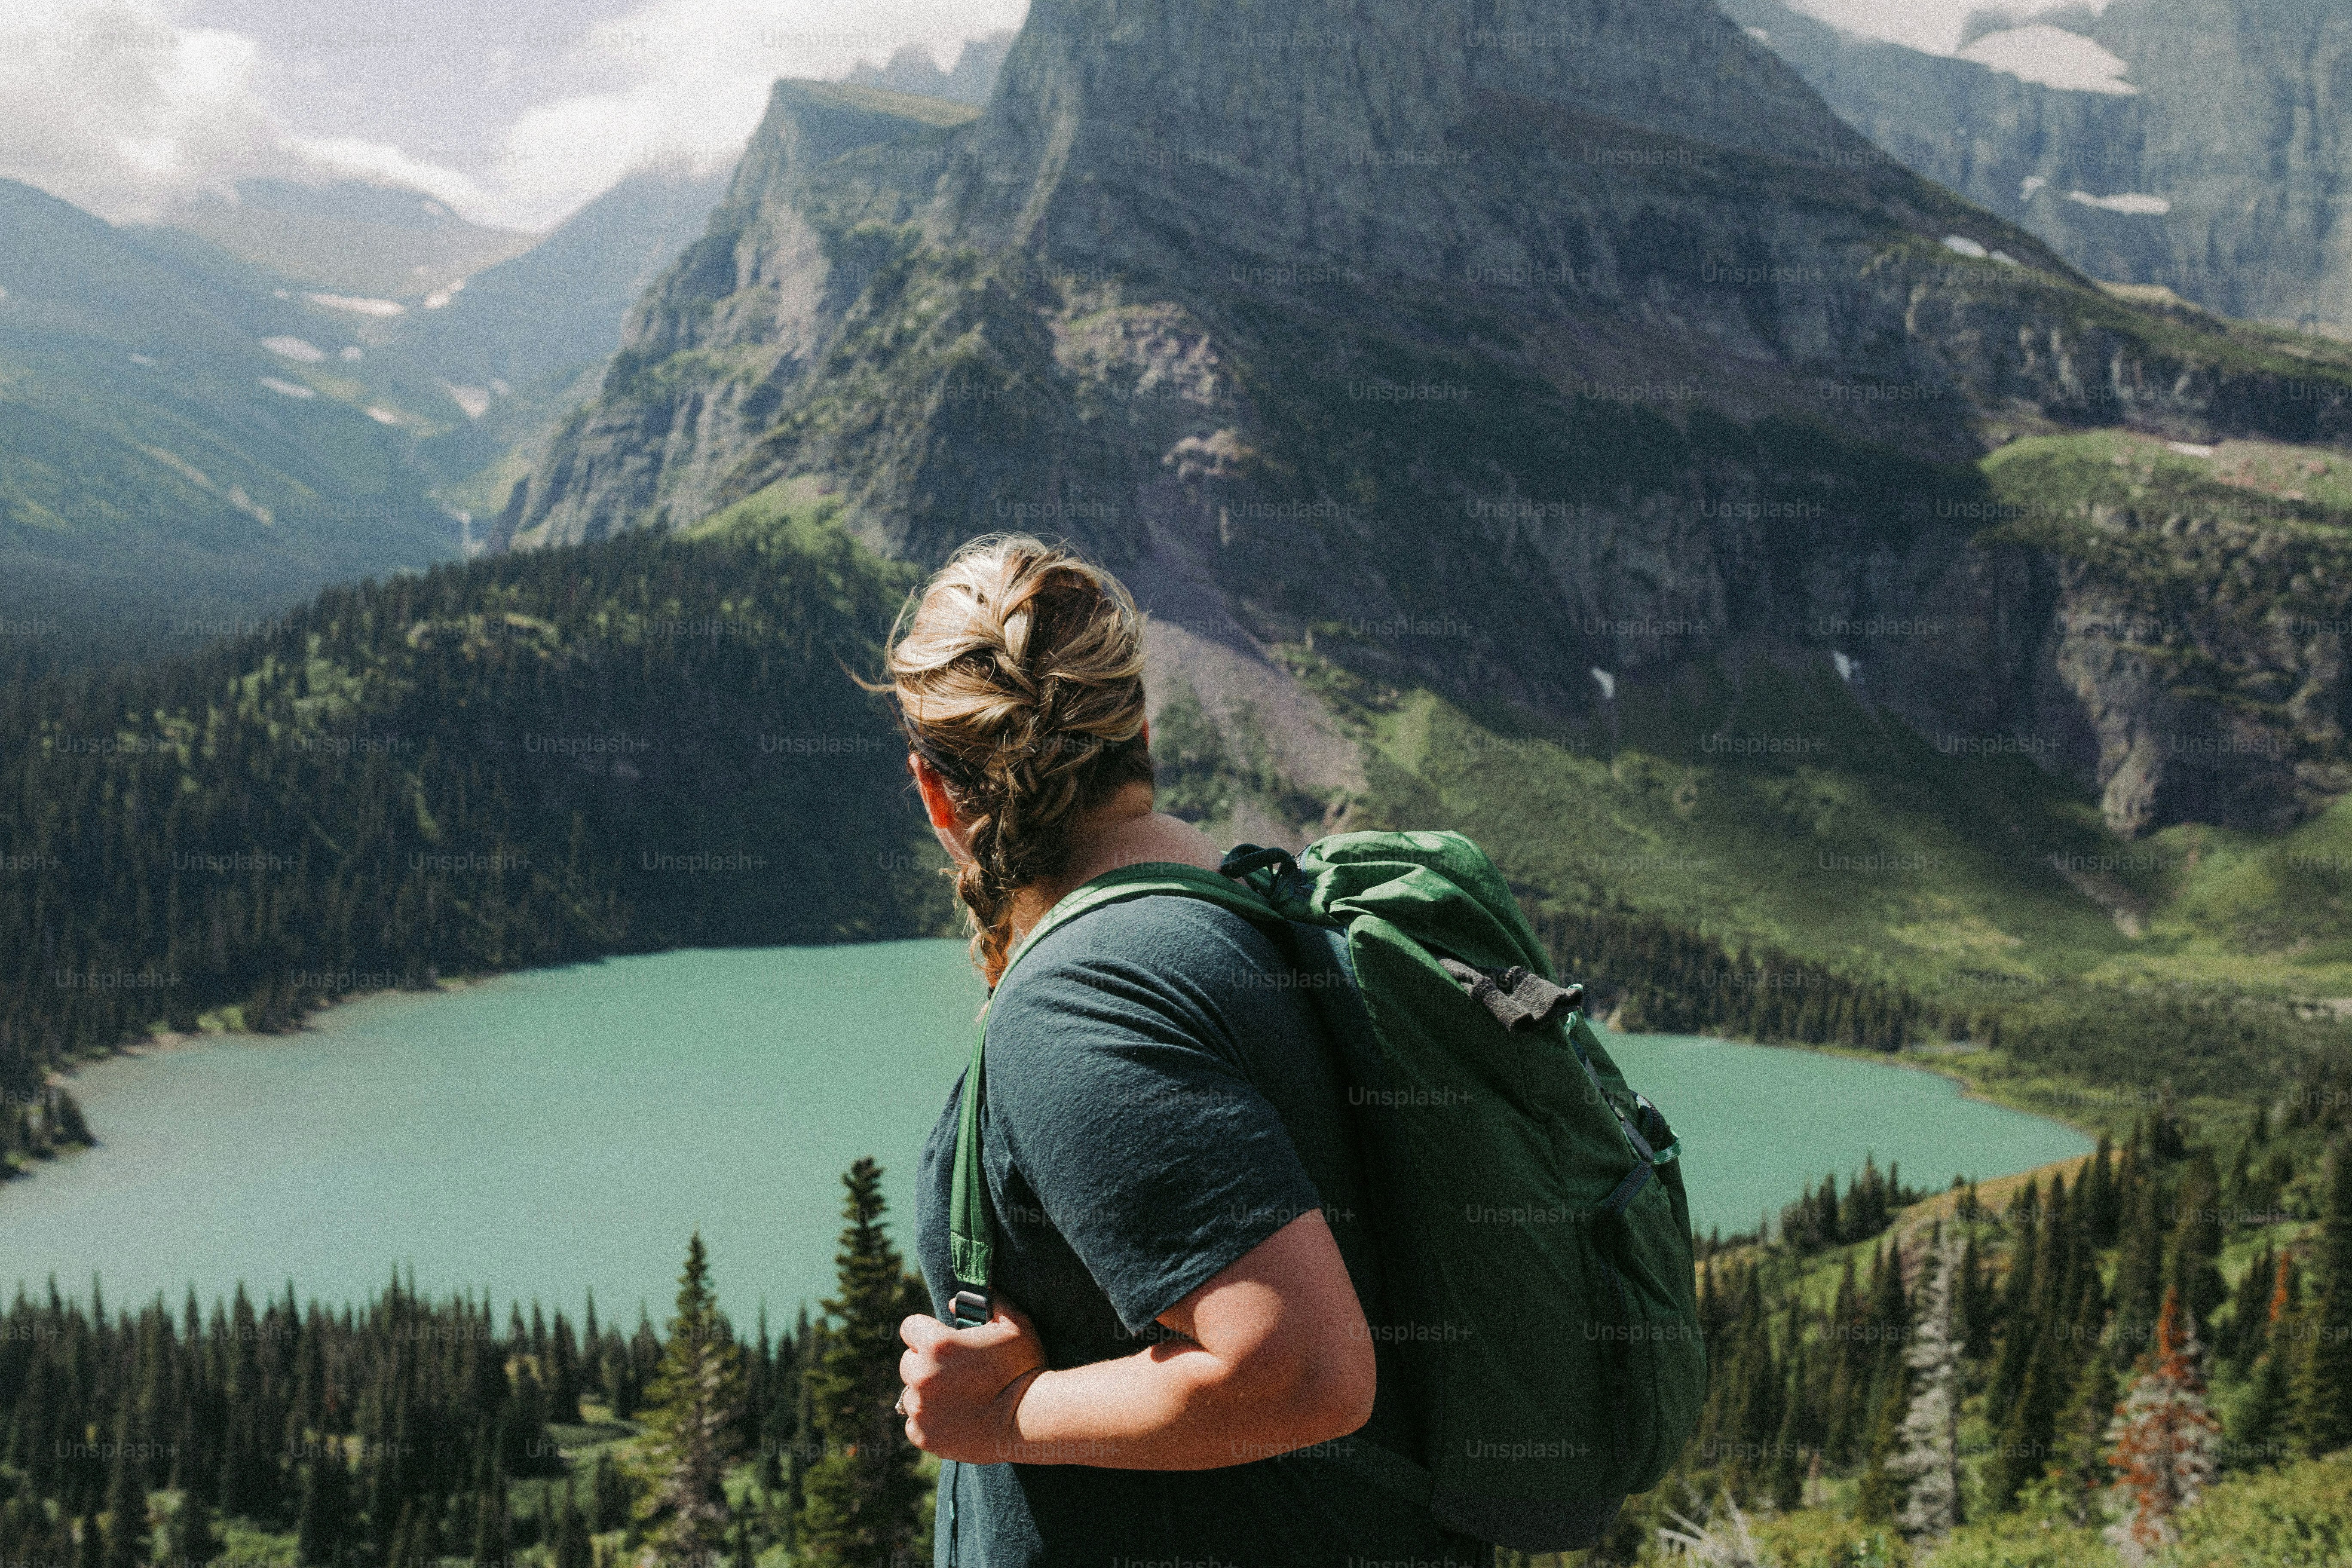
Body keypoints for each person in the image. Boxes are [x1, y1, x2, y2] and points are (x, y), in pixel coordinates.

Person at [882, 535, 1489, 1567]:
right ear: (1142, 737)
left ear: (941, 797)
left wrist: (1000, 1419)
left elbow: (1304, 1373)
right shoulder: (1249, 916)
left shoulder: (1083, 999)